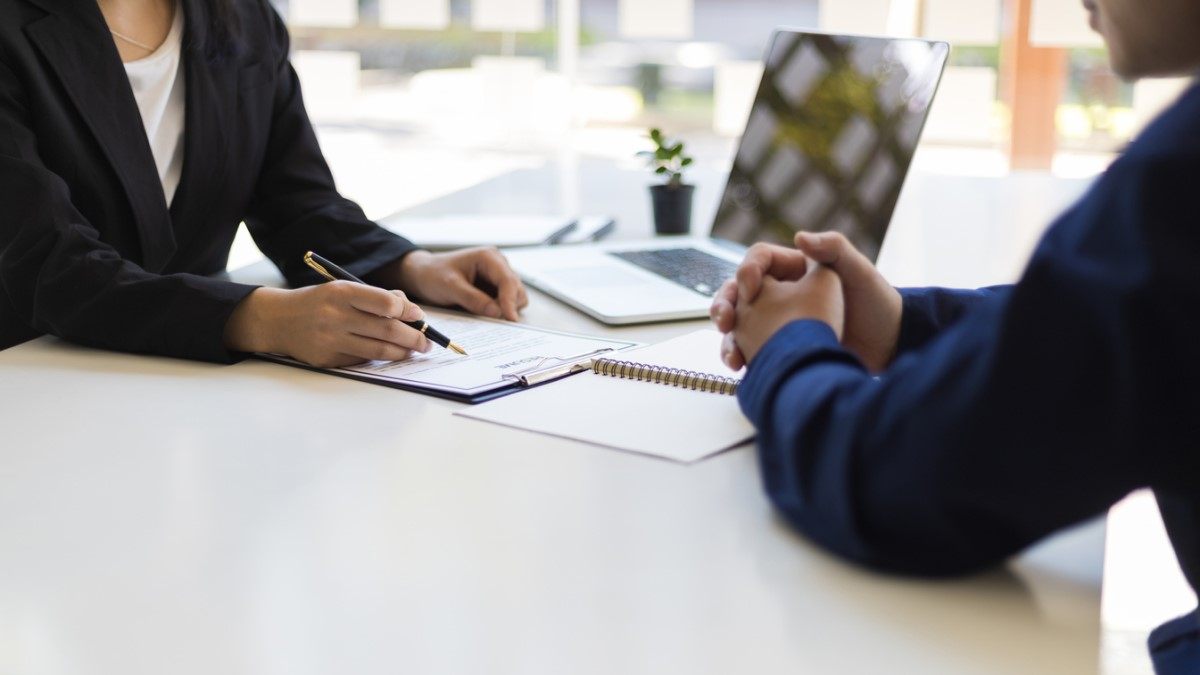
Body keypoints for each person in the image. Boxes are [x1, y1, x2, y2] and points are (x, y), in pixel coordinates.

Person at [710, 0, 1199, 671]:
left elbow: (889, 479)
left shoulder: (1180, 181)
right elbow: (1097, 323)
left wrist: (790, 347)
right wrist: (902, 324)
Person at [0, 0, 528, 367]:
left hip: (180, 388)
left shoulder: (244, 19)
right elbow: (47, 264)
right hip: (34, 381)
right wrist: (259, 319)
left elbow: (296, 202)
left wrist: (412, 266)